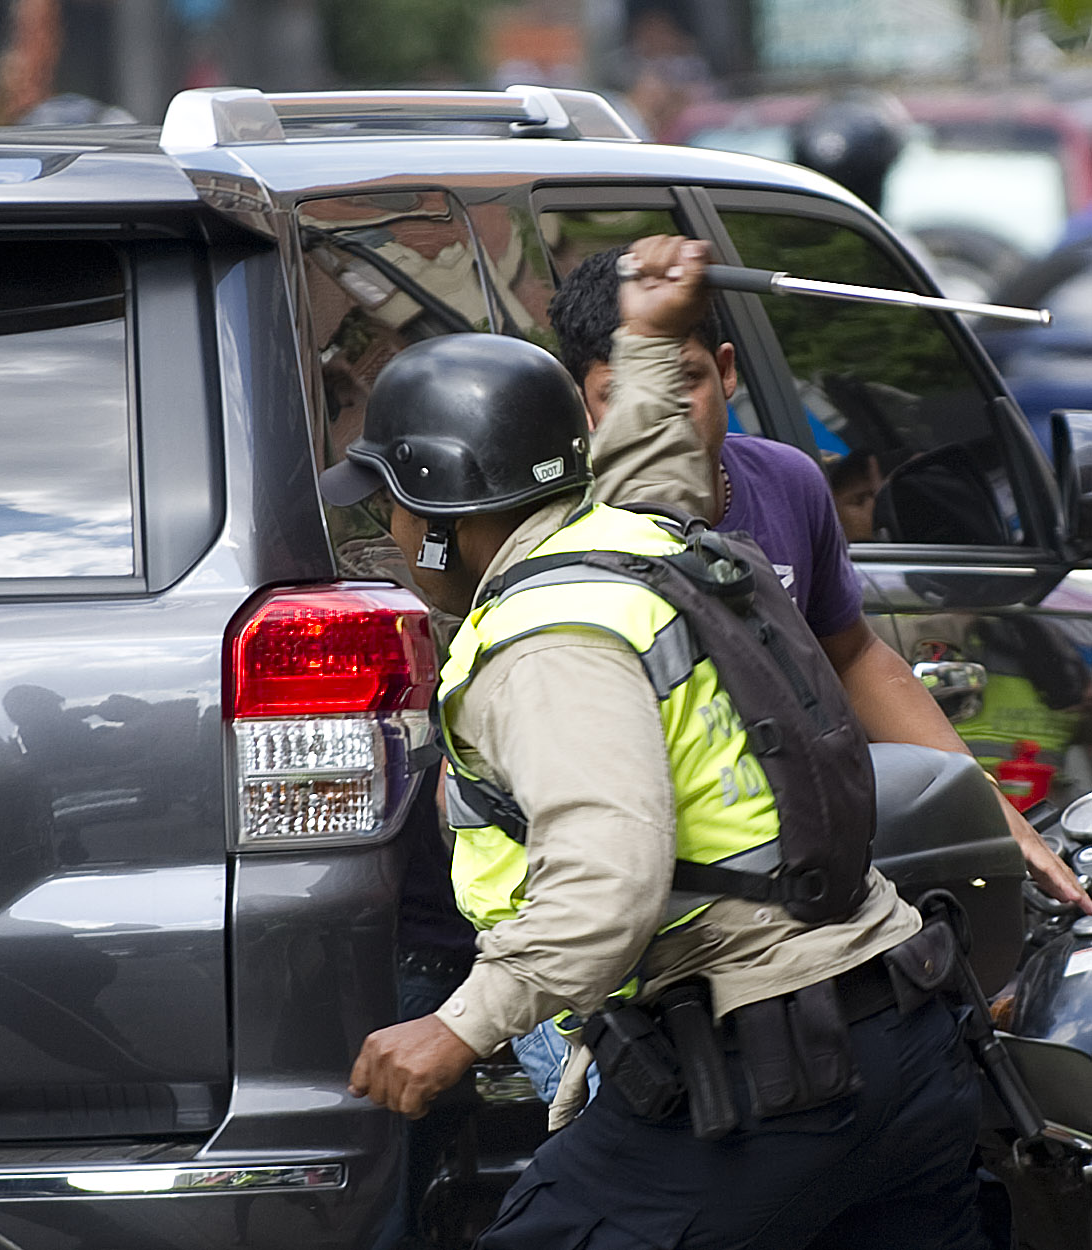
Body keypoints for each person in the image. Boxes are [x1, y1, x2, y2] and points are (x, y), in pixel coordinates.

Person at [326, 333, 989, 1250]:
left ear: (439, 516)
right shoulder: (643, 541)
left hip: (773, 1078)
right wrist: (643, 333)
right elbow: (655, 449)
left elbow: (608, 880)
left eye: (390, 512)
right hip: (908, 1042)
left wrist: (456, 1028)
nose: (386, 538)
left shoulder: (548, 639)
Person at [555, 236, 1088, 916]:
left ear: (726, 372)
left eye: (682, 379)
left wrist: (987, 809)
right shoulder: (566, 527)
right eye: (623, 394)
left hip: (802, 875)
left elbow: (853, 654)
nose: (665, 415)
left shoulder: (789, 482)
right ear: (583, 404)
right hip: (639, 889)